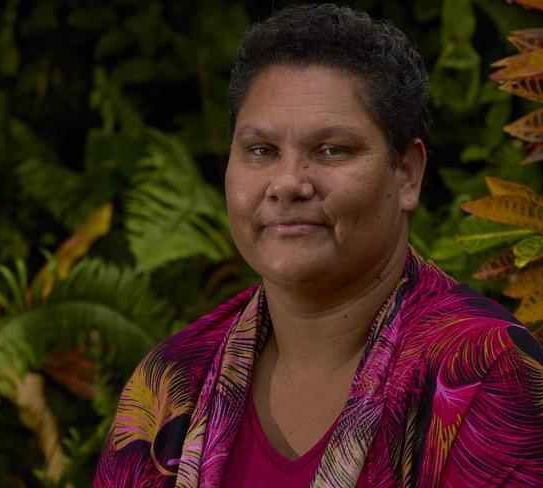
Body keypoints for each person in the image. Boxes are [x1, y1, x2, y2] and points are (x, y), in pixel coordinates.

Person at [93, 4, 543, 487]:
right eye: (261, 151)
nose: (287, 183)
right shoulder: (172, 380)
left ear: (407, 174)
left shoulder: (482, 371)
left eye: (332, 150)